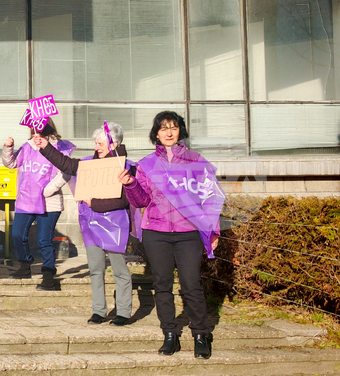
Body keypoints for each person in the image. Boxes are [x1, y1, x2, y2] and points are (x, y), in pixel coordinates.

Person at [118, 111, 223, 359]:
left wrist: (213, 231)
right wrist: (130, 184)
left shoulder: (196, 160)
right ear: (156, 133)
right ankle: (170, 334)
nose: (168, 132)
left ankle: (200, 334)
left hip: (188, 232)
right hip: (156, 232)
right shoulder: (145, 165)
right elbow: (141, 199)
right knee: (162, 285)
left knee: (191, 284)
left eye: (173, 127)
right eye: (163, 128)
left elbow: (211, 197)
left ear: (180, 131)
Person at [34, 122, 135, 326]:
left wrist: (95, 203)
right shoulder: (89, 163)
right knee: (96, 268)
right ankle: (99, 310)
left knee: (119, 270)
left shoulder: (126, 166)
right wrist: (45, 146)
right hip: (91, 224)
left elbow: (124, 199)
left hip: (114, 225)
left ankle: (123, 311)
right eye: (96, 143)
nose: (96, 147)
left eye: (100, 143)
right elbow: (67, 164)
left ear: (113, 144)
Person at [2, 119, 74, 291]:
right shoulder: (27, 147)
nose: (35, 135)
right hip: (26, 199)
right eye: (33, 131)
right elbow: (11, 164)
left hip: (48, 201)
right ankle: (25, 264)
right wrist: (8, 148)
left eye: (38, 131)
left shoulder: (59, 147)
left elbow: (66, 172)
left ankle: (48, 274)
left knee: (44, 239)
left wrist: (47, 190)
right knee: (18, 234)